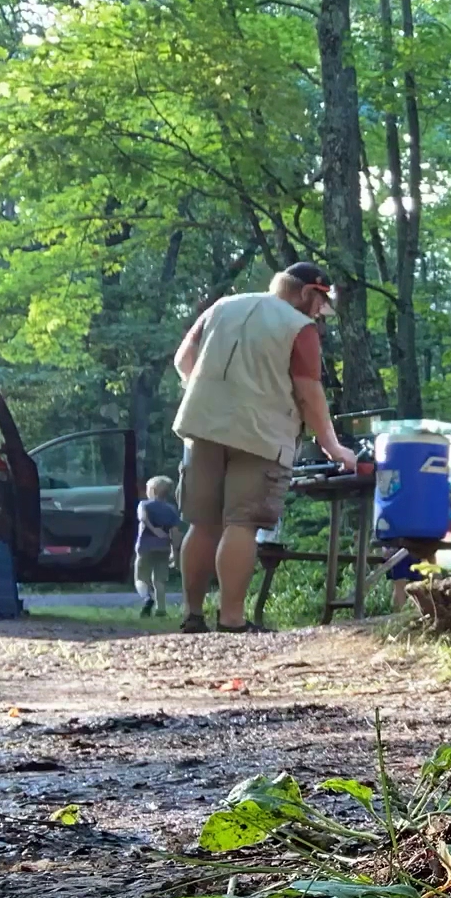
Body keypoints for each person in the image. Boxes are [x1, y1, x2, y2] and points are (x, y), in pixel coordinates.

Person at [171, 262, 357, 634]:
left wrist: (207, 391)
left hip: (202, 424)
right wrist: (333, 446)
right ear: (306, 293)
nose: (321, 312)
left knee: (202, 523)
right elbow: (309, 391)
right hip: (260, 435)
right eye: (320, 302)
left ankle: (192, 614)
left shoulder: (222, 306)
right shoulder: (298, 327)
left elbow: (183, 360)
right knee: (242, 523)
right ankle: (232, 619)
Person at [133, 476, 181, 617]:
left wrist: (153, 529)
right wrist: (175, 553)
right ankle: (161, 609)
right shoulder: (171, 509)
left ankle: (147, 598)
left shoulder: (144, 505)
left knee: (140, 578)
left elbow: (142, 517)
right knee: (159, 580)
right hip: (164, 548)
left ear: (152, 491)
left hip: (145, 547)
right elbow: (176, 533)